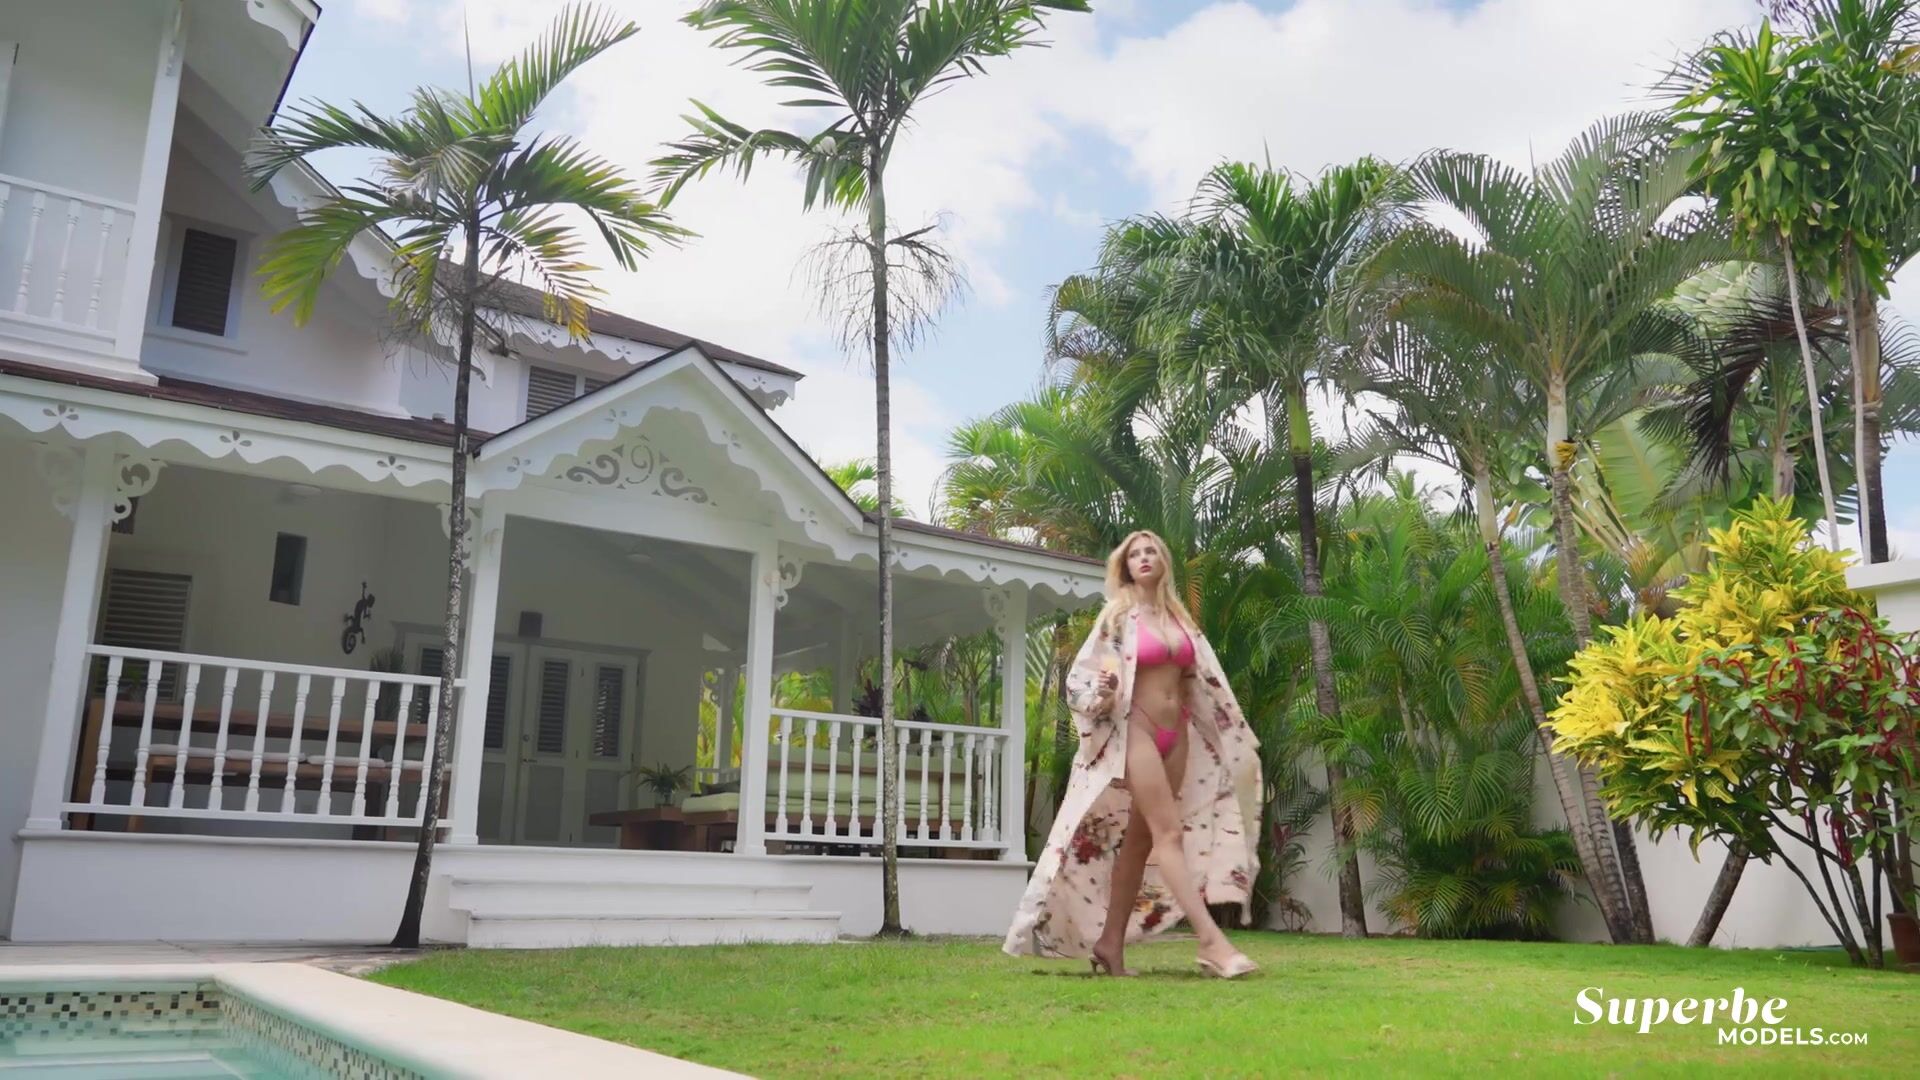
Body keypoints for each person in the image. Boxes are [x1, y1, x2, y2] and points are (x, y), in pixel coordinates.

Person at [1004, 529, 1262, 979]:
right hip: (1138, 730)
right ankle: (1211, 942)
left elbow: (1200, 679)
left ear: (1163, 562)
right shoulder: (1118, 617)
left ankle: (1109, 946)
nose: (1144, 558)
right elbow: (1083, 679)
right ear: (1125, 566)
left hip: (1177, 733)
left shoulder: (1180, 619)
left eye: (1151, 551)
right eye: (1135, 554)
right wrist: (1103, 692)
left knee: (1141, 845)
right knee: (1169, 834)